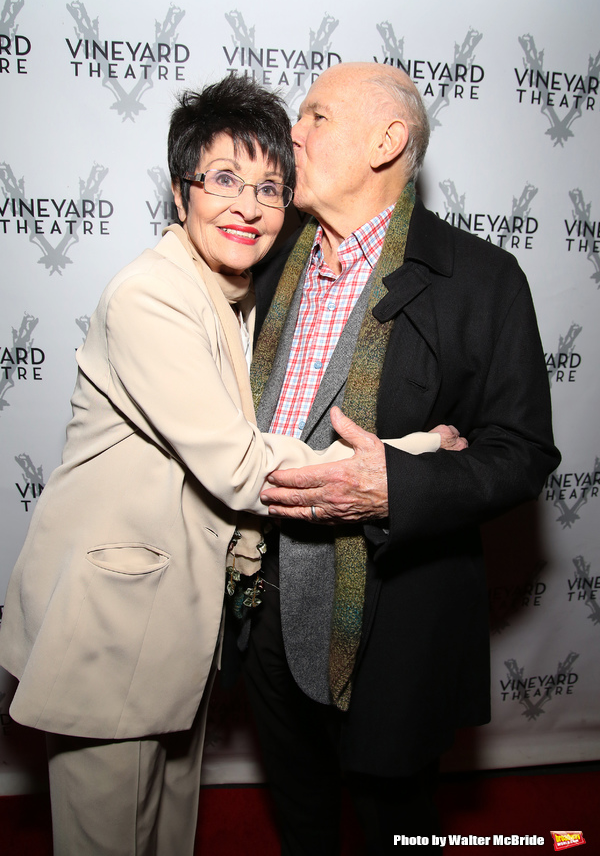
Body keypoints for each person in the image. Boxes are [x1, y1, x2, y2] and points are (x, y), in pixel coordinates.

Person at [0, 74, 464, 856]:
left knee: (164, 841)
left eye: (270, 186)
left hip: (175, 634)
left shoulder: (232, 293)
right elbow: (241, 465)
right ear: (181, 193)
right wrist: (406, 459)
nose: (247, 205)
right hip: (111, 632)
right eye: (223, 180)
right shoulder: (152, 295)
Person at [242, 62, 561, 855]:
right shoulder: (271, 259)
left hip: (392, 617)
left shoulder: (482, 279)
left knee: (394, 826)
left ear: (388, 141)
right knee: (302, 818)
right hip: (262, 602)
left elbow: (522, 454)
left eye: (316, 116)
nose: (293, 134)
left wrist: (398, 484)